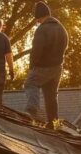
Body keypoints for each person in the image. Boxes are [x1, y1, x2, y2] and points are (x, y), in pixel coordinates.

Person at [24, 1, 68, 129]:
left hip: (44, 66)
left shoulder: (42, 29)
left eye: (37, 19)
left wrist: (32, 66)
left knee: (30, 83)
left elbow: (36, 50)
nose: (37, 22)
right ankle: (53, 122)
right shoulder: (62, 28)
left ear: (39, 17)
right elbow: (66, 46)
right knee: (51, 94)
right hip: (58, 67)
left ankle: (31, 111)